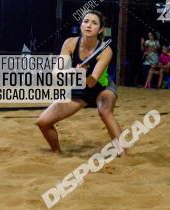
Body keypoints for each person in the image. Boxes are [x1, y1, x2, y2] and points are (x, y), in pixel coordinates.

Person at [35, 10, 124, 154]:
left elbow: (92, 82)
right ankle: (56, 153)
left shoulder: (105, 50)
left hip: (102, 87)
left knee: (104, 112)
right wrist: (72, 72)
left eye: (94, 23)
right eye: (86, 21)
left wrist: (84, 74)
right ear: (81, 25)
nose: (89, 25)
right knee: (43, 122)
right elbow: (55, 74)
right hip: (81, 89)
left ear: (100, 29)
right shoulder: (70, 43)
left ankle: (124, 153)